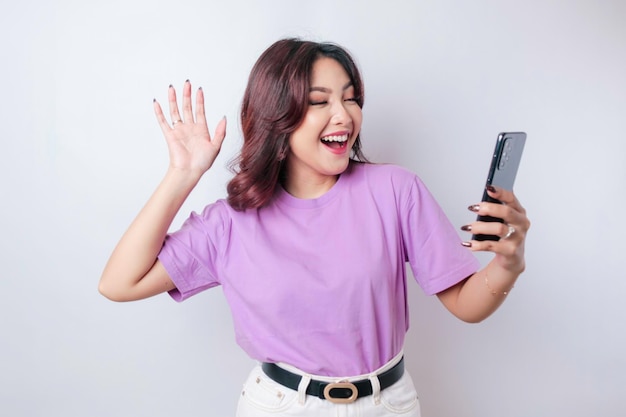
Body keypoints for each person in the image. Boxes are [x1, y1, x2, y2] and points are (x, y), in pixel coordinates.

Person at [99, 38, 530, 417]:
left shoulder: (396, 190)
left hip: (388, 405)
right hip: (280, 408)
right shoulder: (230, 223)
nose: (343, 116)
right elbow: (119, 283)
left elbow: (466, 304)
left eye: (351, 98)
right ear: (277, 116)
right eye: (320, 101)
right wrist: (183, 173)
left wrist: (508, 263)